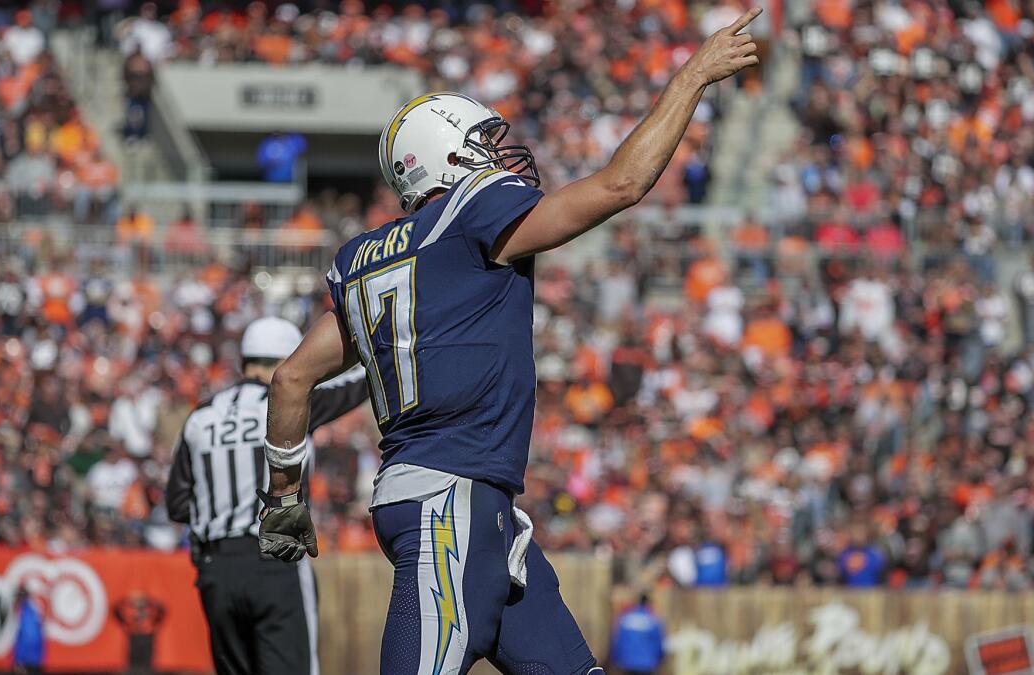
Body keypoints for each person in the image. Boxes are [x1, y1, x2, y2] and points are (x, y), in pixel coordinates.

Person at [257, 9, 761, 674]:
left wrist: (285, 501)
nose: (503, 154)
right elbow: (621, 183)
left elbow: (291, 379)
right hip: (449, 502)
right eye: (485, 141)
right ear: (445, 156)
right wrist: (693, 76)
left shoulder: (370, 259)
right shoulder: (470, 217)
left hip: (471, 509)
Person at [165, 317, 368, 675]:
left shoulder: (200, 416)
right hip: (275, 558)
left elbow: (177, 503)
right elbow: (359, 380)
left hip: (217, 571)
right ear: (289, 361)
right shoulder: (287, 401)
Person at [610, 595, 666, 675]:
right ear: (648, 604)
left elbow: (618, 641)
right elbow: (659, 644)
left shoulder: (625, 618)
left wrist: (615, 659)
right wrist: (660, 660)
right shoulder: (653, 620)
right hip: (647, 664)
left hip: (627, 663)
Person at [12, 584, 45, 674]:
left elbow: (28, 637)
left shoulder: (26, 611)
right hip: (35, 659)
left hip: (29, 660)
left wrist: (19, 659)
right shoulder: (32, 609)